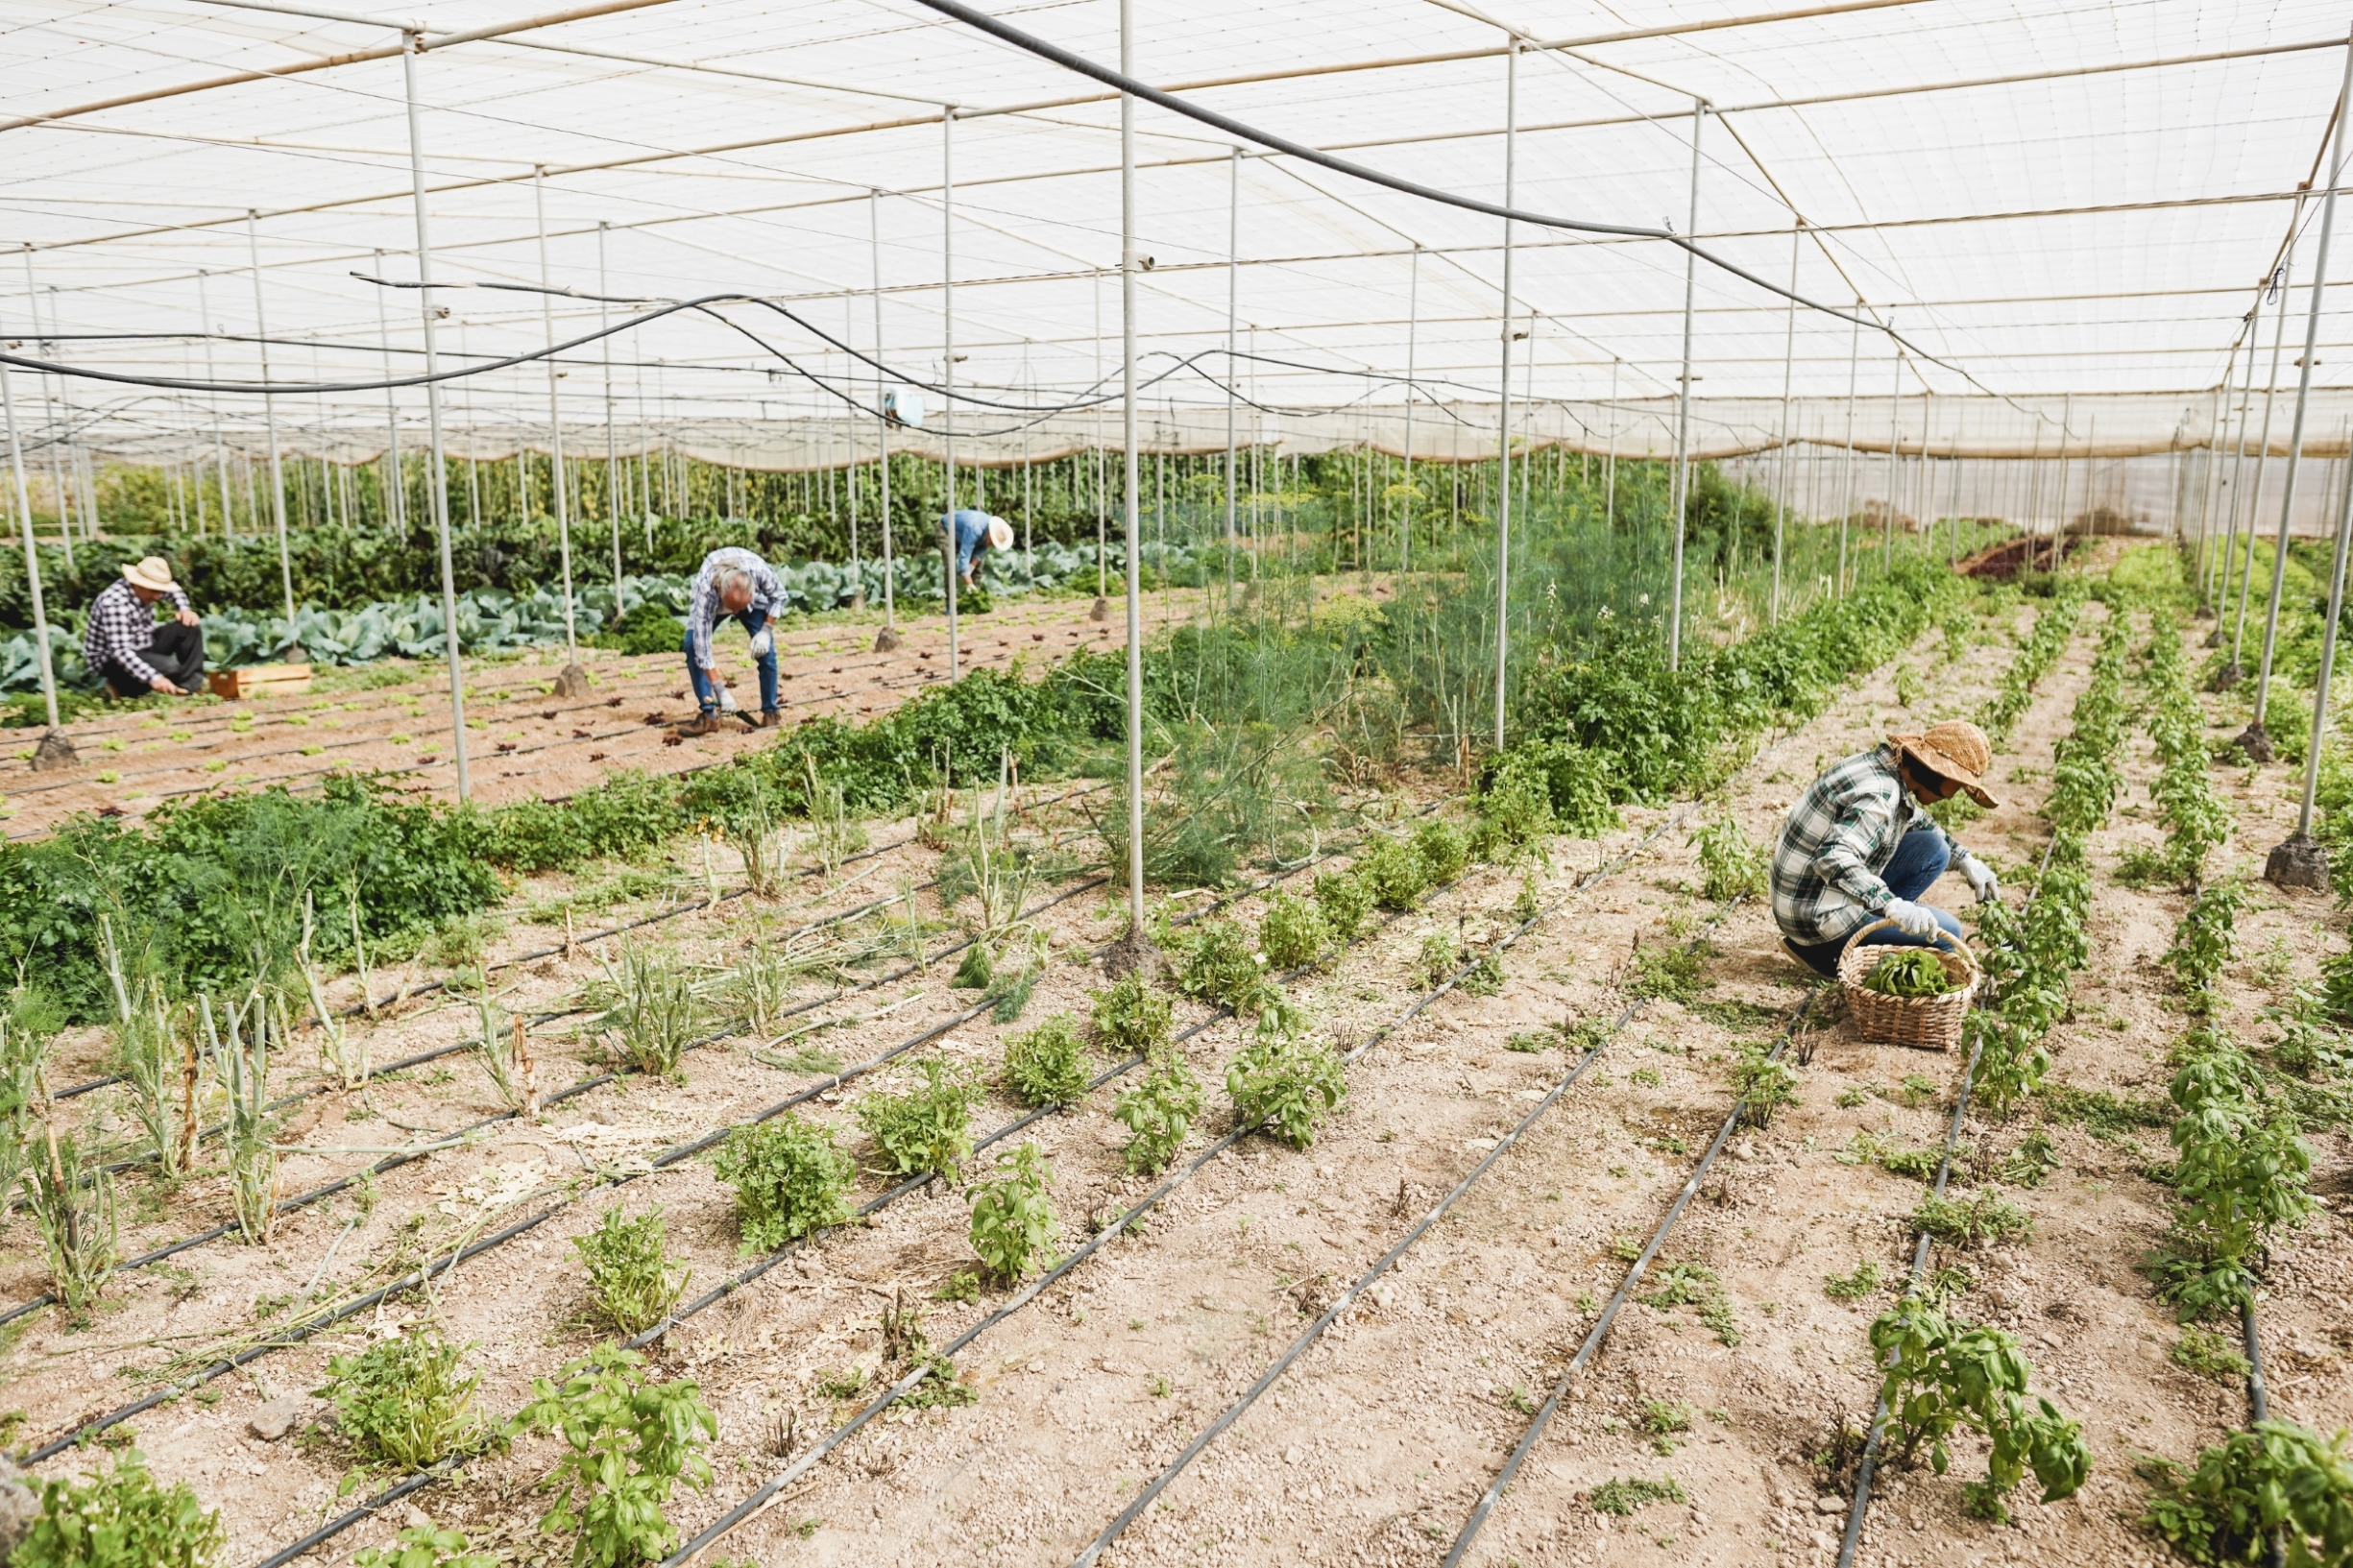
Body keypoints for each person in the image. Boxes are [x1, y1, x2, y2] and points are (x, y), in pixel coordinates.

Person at [1770, 719, 2003, 977]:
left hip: (1803, 899)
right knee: (1947, 933)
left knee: (1935, 850)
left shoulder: (1881, 767)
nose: (1955, 793)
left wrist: (1965, 859)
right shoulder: (1880, 795)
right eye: (1958, 784)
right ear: (1937, 773)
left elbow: (1917, 820)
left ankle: (1868, 929)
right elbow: (1834, 857)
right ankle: (1829, 955)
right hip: (1816, 919)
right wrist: (1890, 904)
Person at [678, 545, 786, 736]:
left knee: (766, 651)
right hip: (713, 603)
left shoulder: (759, 571)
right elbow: (702, 647)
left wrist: (765, 630)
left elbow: (779, 596)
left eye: (740, 608)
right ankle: (709, 714)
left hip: (754, 604)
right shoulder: (707, 589)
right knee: (691, 646)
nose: (735, 614)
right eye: (732, 608)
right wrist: (720, 689)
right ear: (720, 590)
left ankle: (771, 711)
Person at [85, 556, 206, 698]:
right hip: (110, 661)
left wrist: (184, 610)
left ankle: (189, 688)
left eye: (160, 591)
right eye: (154, 591)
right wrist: (154, 678)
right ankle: (119, 686)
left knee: (189, 626)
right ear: (138, 584)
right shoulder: (115, 604)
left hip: (143, 644)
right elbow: (120, 652)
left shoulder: (150, 588)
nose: (158, 597)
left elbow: (174, 591)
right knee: (169, 667)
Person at [947, 509, 1015, 592]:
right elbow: (965, 554)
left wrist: (971, 566)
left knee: (978, 565)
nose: (991, 545)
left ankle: (974, 595)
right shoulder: (975, 528)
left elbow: (980, 552)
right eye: (993, 542)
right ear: (990, 534)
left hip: (964, 536)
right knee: (949, 564)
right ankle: (951, 601)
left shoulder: (988, 532)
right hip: (947, 529)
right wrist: (968, 581)